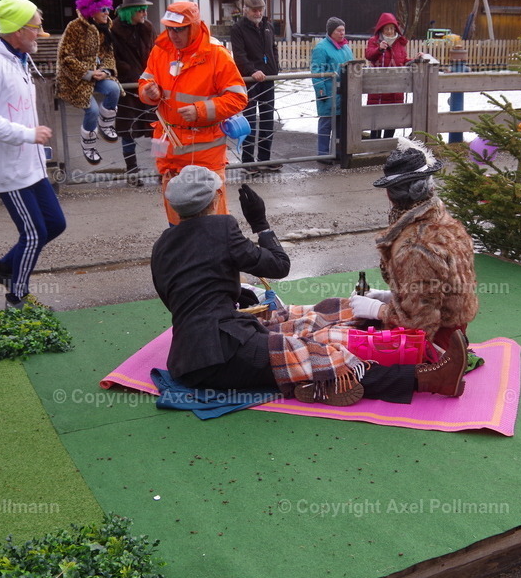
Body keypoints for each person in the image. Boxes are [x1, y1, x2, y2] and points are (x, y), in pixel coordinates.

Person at [150, 165, 468, 406]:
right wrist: (261, 224)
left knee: (318, 314)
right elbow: (278, 265)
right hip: (218, 357)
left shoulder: (162, 244)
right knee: (317, 353)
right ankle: (428, 379)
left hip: (190, 355)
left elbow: (178, 299)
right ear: (218, 197)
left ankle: (363, 335)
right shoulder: (221, 226)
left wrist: (235, 296)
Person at [0, 0, 66, 310]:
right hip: (7, 168)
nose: (40, 33)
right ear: (16, 30)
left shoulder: (19, 57)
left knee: (54, 224)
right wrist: (27, 135)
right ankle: (17, 298)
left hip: (30, 164)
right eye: (36, 28)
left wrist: (33, 142)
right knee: (34, 232)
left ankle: (3, 268)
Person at [349, 138, 479, 352]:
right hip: (454, 334)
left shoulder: (415, 244)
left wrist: (379, 309)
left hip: (435, 347)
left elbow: (421, 325)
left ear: (390, 194)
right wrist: (391, 296)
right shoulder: (442, 219)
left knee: (339, 343)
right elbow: (437, 291)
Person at [137, 1, 247, 224]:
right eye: (169, 28)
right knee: (176, 219)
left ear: (194, 27)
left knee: (211, 218)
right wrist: (149, 92)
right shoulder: (161, 51)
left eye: (179, 29)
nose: (173, 34)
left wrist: (201, 110)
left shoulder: (217, 55)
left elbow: (238, 98)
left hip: (205, 153)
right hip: (170, 152)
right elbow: (145, 82)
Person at [56, 0, 120, 166]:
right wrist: (88, 73)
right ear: (92, 11)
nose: (108, 13)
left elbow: (108, 53)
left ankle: (106, 123)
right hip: (75, 79)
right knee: (91, 110)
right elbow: (65, 56)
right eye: (104, 9)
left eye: (109, 9)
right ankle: (88, 145)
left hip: (98, 75)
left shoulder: (106, 26)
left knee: (114, 89)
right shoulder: (74, 27)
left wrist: (106, 71)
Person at [229, 0, 280, 174]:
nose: (258, 13)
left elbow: (273, 47)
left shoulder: (268, 26)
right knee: (249, 120)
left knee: (267, 119)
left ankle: (265, 158)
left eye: (260, 10)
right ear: (246, 10)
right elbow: (239, 55)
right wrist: (252, 71)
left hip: (268, 78)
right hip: (250, 81)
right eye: (254, 10)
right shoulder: (238, 29)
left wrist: (275, 67)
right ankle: (248, 161)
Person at [110, 0, 156, 185]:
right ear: (131, 12)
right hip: (128, 86)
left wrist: (153, 72)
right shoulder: (113, 30)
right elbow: (111, 57)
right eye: (141, 11)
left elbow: (156, 51)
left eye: (145, 10)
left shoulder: (148, 27)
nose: (145, 14)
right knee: (128, 131)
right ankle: (132, 172)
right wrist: (128, 72)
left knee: (158, 129)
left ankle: (164, 168)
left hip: (149, 84)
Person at [310, 16, 353, 162]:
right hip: (329, 92)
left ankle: (338, 152)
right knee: (326, 123)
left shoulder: (346, 47)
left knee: (341, 124)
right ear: (331, 32)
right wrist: (321, 91)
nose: (342, 33)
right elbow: (317, 71)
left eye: (343, 30)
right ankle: (323, 154)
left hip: (344, 92)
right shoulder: (321, 48)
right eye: (338, 30)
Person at [364, 13, 409, 139]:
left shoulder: (400, 43)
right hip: (379, 88)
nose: (390, 31)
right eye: (387, 28)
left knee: (392, 119)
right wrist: (379, 49)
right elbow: (369, 55)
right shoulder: (374, 41)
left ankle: (387, 148)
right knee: (376, 118)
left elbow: (403, 60)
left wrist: (414, 60)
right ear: (381, 29)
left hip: (396, 88)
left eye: (392, 28)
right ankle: (374, 149)